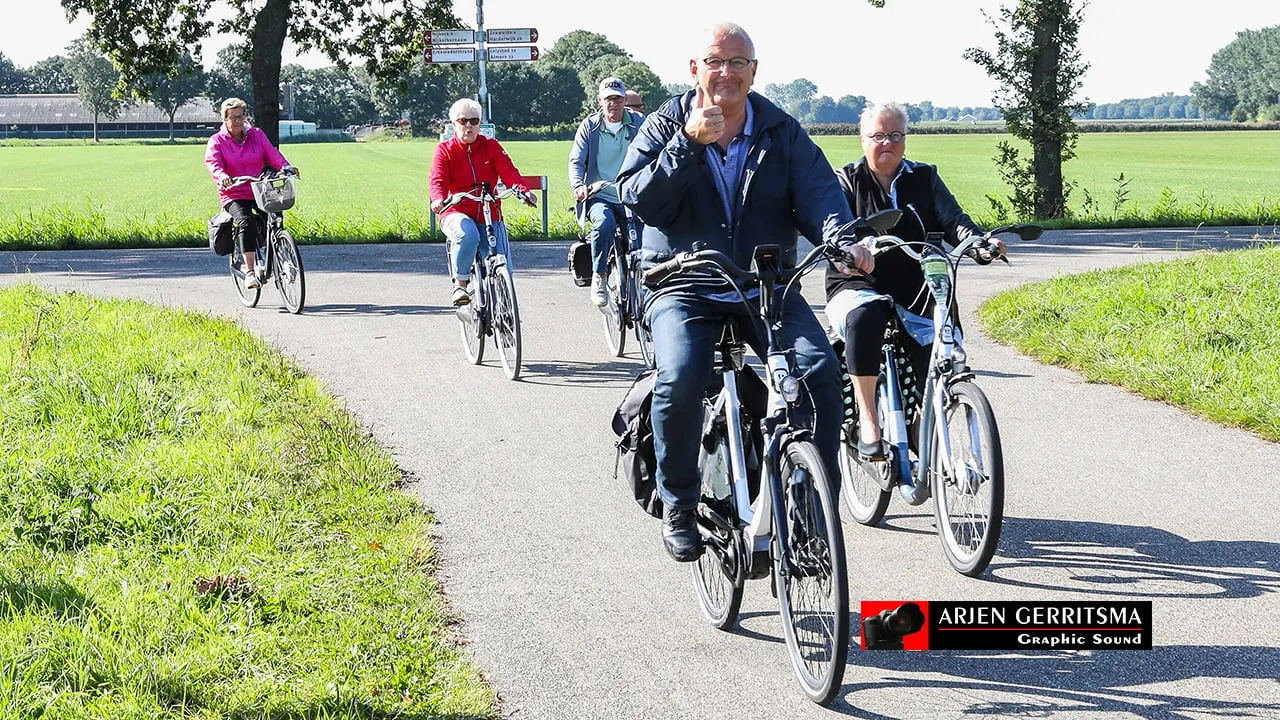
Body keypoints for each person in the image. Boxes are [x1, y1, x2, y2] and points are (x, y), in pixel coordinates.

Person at [617, 22, 872, 562]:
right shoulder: (666, 125)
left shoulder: (781, 130)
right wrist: (687, 145)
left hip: (764, 284)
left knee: (821, 371)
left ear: (755, 72)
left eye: (739, 62)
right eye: (716, 61)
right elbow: (639, 199)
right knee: (681, 376)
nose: (726, 72)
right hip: (681, 281)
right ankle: (681, 503)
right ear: (695, 69)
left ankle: (809, 503)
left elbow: (821, 193)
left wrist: (842, 239)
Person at [825, 100, 1005, 460]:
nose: (887, 143)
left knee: (939, 348)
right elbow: (836, 228)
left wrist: (978, 243)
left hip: (915, 281)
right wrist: (849, 251)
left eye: (895, 135)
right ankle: (869, 419)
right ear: (862, 139)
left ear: (905, 138)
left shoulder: (924, 177)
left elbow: (954, 219)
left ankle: (925, 424)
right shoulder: (845, 180)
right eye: (878, 135)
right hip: (859, 280)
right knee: (867, 316)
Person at [430, 98, 539, 306]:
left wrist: (522, 191)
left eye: (474, 121)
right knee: (467, 235)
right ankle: (460, 285)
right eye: (463, 121)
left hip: (490, 211)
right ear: (454, 125)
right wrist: (438, 199)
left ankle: (505, 308)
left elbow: (509, 172)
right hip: (456, 209)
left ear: (480, 124)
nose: (469, 126)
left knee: (501, 259)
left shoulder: (491, 146)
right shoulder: (445, 150)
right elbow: (437, 179)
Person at [569, 77, 646, 307]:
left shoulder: (639, 123)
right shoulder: (590, 127)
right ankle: (599, 275)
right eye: (609, 99)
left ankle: (649, 284)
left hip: (631, 194)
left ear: (625, 101)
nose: (613, 104)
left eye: (618, 99)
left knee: (645, 236)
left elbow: (655, 149)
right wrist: (578, 186)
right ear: (599, 101)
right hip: (599, 194)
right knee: (603, 224)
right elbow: (576, 161)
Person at [205, 97, 296, 288]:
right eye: (233, 117)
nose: (238, 121)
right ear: (225, 119)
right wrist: (222, 177)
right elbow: (213, 163)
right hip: (234, 192)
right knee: (246, 221)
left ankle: (279, 255)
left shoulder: (256, 134)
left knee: (275, 214)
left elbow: (272, 154)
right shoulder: (217, 141)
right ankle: (250, 271)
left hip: (258, 188)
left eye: (241, 116)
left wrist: (286, 167)